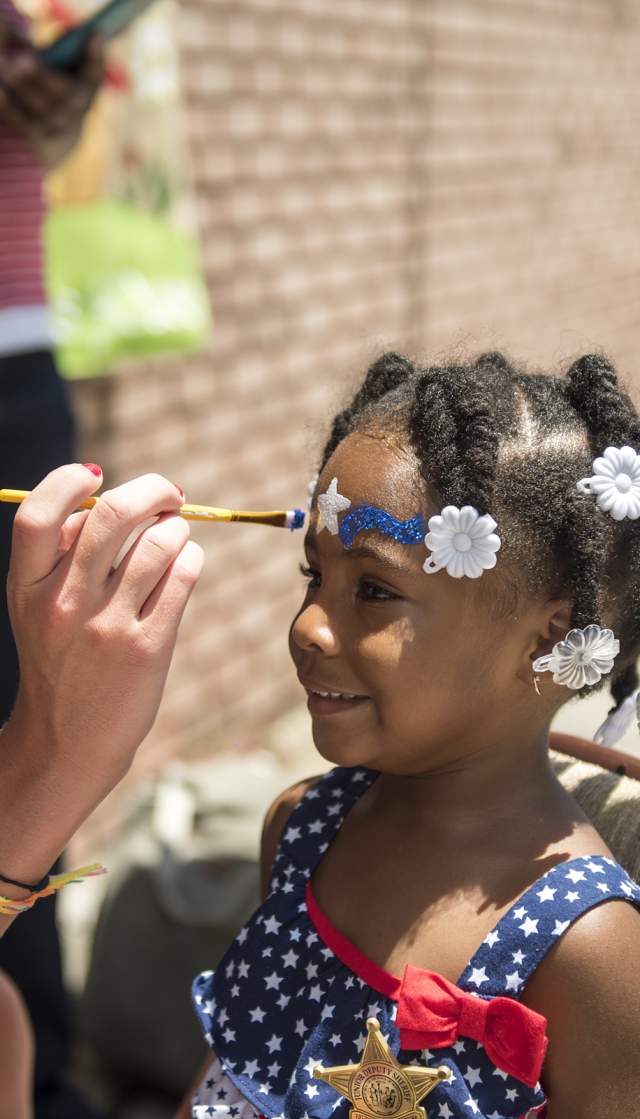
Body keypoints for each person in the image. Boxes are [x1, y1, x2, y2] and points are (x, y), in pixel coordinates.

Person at [2, 354, 640, 1119]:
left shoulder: (591, 950)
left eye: (374, 589)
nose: (308, 626)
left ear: (548, 638)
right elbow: (234, 1077)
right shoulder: (305, 828)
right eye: (314, 576)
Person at [0, 9, 106, 1116]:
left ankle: (37, 1079)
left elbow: (50, 139)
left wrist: (53, 97)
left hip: (17, 354)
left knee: (24, 715)